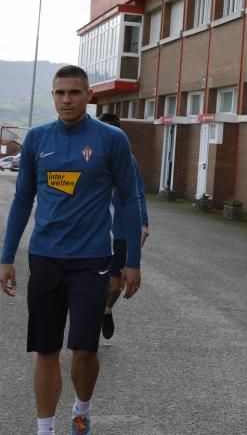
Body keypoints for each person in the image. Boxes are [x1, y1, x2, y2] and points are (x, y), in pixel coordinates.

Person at [0, 65, 142, 435]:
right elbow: (21, 200)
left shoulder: (111, 140)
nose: (67, 99)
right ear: (52, 96)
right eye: (60, 93)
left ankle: (81, 411)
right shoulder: (37, 140)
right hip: (45, 258)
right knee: (45, 350)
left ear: (88, 95)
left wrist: (131, 262)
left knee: (84, 350)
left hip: (93, 261)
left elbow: (129, 201)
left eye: (74, 93)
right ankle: (44, 429)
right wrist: (7, 257)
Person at [96, 112, 149, 340]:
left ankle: (106, 311)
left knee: (114, 285)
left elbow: (137, 195)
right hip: (94, 230)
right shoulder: (88, 156)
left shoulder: (128, 159)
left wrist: (143, 222)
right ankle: (90, 316)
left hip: (119, 231)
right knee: (91, 282)